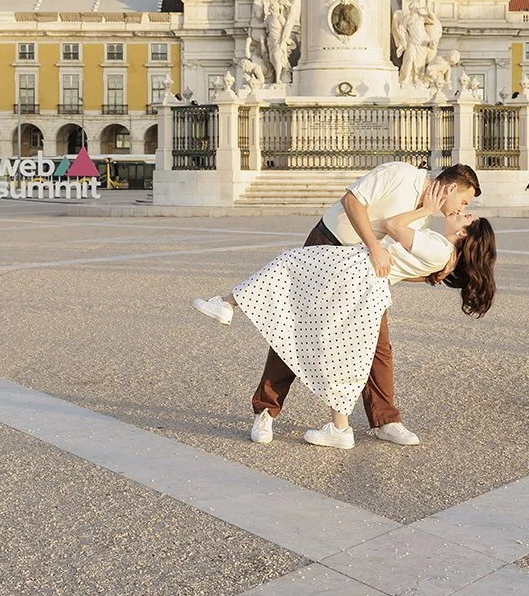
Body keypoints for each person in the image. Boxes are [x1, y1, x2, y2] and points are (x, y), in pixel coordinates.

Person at [193, 185, 495, 450]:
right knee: (345, 351)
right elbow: (402, 266)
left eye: (466, 213)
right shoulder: (444, 253)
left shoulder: (438, 246)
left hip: (354, 270)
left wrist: (424, 209)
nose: (461, 210)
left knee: (289, 269)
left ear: (464, 233)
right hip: (365, 282)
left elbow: (391, 225)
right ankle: (338, 427)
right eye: (464, 204)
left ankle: (227, 303)